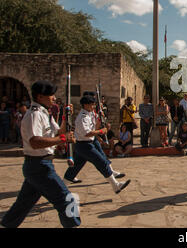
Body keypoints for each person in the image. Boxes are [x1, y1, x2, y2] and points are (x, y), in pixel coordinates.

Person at [0, 81, 80, 228]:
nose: (54, 98)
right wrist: (63, 139)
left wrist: (65, 116)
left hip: (40, 165)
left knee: (23, 204)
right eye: (51, 95)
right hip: (39, 166)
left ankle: (7, 225)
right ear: (41, 96)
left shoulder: (44, 113)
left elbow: (59, 132)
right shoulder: (34, 115)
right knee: (67, 200)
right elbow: (35, 142)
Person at [63, 95, 130, 194]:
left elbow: (94, 126)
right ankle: (115, 185)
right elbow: (88, 133)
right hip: (84, 145)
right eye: (92, 104)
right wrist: (101, 131)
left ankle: (61, 189)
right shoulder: (82, 117)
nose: (93, 106)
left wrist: (102, 121)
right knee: (102, 162)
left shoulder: (89, 114)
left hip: (86, 144)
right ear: (86, 105)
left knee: (74, 168)